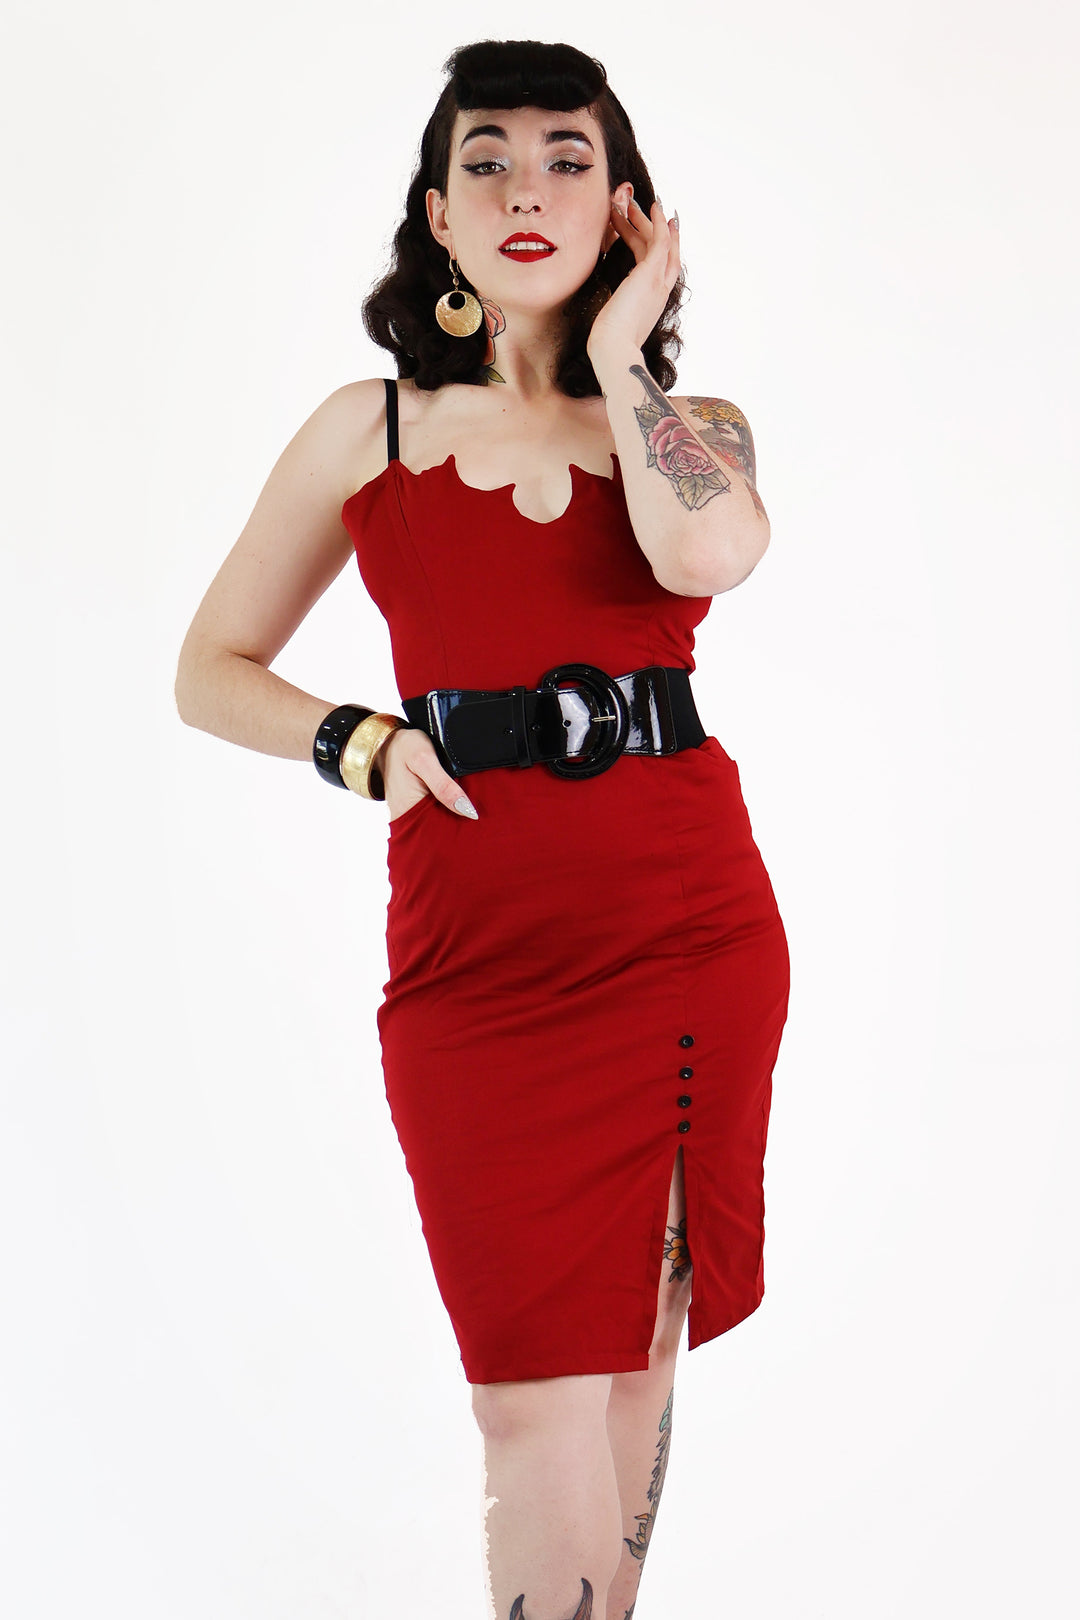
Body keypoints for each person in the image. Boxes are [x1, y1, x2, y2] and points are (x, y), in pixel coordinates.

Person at [175, 37, 790, 1620]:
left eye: (568, 161)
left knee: (639, 1355)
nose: (528, 190)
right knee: (526, 1390)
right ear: (438, 216)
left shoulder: (690, 425)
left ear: (625, 209)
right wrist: (360, 741)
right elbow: (208, 667)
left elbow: (711, 559)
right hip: (475, 962)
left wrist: (627, 349)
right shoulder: (367, 430)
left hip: (686, 932)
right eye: (489, 161)